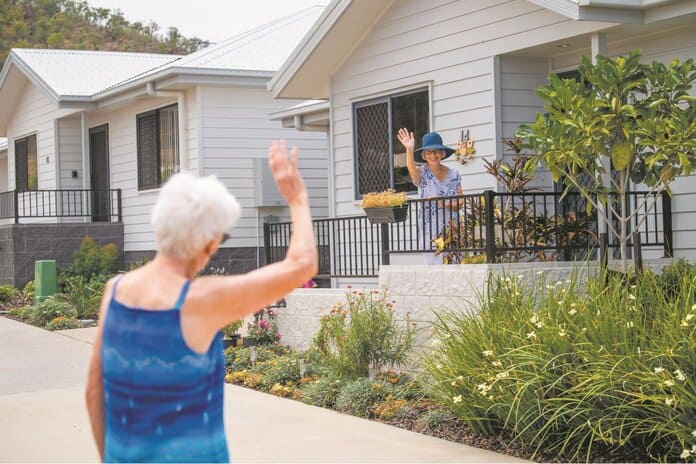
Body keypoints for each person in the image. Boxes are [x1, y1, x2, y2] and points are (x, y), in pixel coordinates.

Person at [85, 140, 317, 462]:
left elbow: (94, 392)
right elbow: (302, 265)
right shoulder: (201, 300)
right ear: (208, 244)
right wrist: (298, 199)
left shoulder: (115, 290)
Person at [397, 129, 463, 264]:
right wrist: (409, 149)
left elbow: (461, 202)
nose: (433, 155)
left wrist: (443, 203)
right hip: (430, 231)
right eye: (429, 152)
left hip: (453, 229)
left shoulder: (454, 174)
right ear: (424, 155)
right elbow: (412, 170)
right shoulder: (422, 173)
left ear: (442, 153)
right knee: (434, 268)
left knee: (456, 266)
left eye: (437, 151)